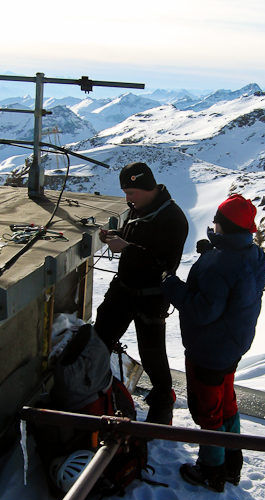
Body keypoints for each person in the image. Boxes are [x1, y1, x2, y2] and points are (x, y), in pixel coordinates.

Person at [160, 194, 265, 492]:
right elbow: (237, 281)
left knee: (208, 411)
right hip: (232, 345)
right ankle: (233, 464)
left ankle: (212, 470)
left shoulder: (220, 264)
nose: (213, 224)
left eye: (217, 221)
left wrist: (170, 283)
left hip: (208, 349)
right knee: (227, 401)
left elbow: (201, 309)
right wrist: (213, 250)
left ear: (224, 225)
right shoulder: (255, 255)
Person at [94, 162, 188, 425]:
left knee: (152, 356)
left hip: (151, 297)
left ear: (147, 188)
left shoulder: (173, 218)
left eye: (131, 192)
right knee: (99, 340)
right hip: (123, 291)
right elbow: (136, 235)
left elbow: (164, 263)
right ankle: (93, 396)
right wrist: (115, 236)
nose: (127, 199)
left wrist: (125, 247)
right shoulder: (141, 208)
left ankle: (162, 410)